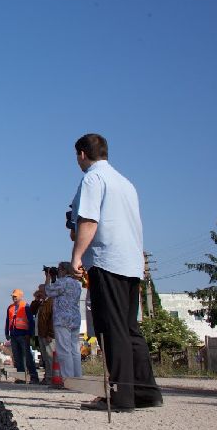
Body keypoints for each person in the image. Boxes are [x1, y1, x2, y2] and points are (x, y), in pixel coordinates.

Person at [69, 133, 162, 411]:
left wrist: (76, 257)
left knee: (111, 329)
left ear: (82, 154)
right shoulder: (126, 183)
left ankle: (120, 395)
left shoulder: (93, 179)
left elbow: (89, 220)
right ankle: (146, 392)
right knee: (131, 328)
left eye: (77, 156)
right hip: (131, 263)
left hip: (107, 260)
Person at [46, 261, 83, 379]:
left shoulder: (62, 282)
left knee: (64, 349)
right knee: (75, 350)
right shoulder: (77, 284)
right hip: (75, 318)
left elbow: (48, 291)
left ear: (63, 270)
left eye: (59, 269)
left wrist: (48, 278)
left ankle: (68, 378)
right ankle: (77, 377)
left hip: (62, 319)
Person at [4, 289, 39, 384]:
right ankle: (21, 377)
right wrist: (7, 332)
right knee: (17, 357)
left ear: (20, 296)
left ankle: (34, 377)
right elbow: (8, 321)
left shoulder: (26, 306)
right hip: (14, 335)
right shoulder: (10, 308)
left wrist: (29, 334)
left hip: (23, 335)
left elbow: (31, 321)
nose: (13, 297)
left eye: (15, 296)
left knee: (27, 357)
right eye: (13, 296)